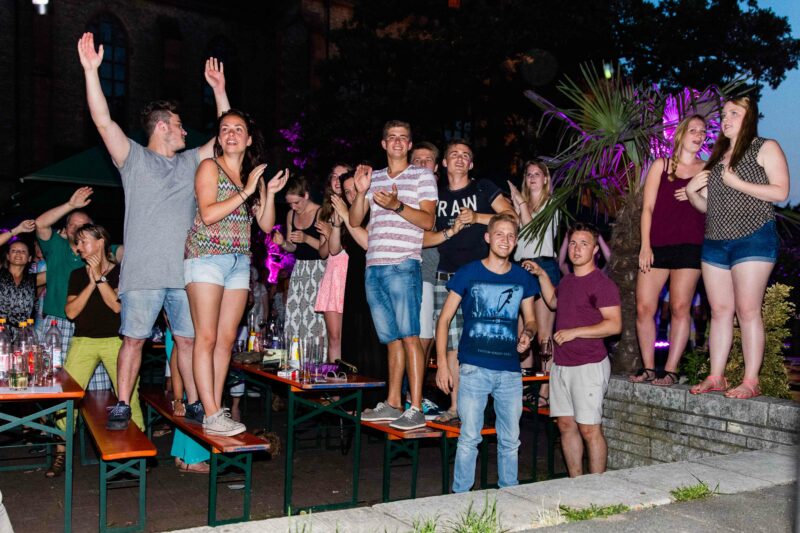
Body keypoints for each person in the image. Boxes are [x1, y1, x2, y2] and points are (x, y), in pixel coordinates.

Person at [77, 32, 232, 430]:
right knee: (134, 340)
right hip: (143, 272)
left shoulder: (190, 163)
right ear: (162, 127)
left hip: (185, 272)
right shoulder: (133, 158)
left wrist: (219, 91)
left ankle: (195, 403)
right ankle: (122, 404)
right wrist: (92, 71)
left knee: (188, 340)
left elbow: (226, 140)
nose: (185, 132)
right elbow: (102, 121)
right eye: (179, 126)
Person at [184, 109, 287, 436]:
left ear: (249, 139)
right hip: (205, 257)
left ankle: (216, 409)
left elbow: (266, 225)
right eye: (225, 129)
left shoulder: (252, 176)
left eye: (238, 129)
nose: (231, 134)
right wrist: (245, 190)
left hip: (239, 261)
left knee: (226, 340)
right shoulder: (209, 167)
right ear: (219, 137)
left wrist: (268, 193)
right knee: (207, 336)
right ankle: (211, 412)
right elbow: (208, 214)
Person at [685, 96, 790, 399]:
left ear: (749, 117)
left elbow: (781, 192)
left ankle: (751, 380)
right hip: (715, 241)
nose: (726, 119)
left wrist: (736, 182)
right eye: (724, 114)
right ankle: (716, 376)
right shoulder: (717, 157)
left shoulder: (764, 147)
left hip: (753, 237)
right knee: (719, 311)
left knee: (747, 310)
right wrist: (692, 194)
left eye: (734, 113)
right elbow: (710, 207)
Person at [435, 213, 538, 492]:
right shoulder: (468, 272)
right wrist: (443, 364)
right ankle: (461, 497)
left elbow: (531, 320)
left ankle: (509, 496)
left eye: (511, 236)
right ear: (488, 237)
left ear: (516, 242)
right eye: (499, 234)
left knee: (510, 440)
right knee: (469, 438)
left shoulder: (522, 278)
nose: (505, 240)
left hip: (510, 370)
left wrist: (528, 335)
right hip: (473, 368)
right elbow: (444, 319)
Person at [349, 120, 437, 430]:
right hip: (374, 265)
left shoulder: (422, 176)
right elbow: (355, 220)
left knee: (410, 336)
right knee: (391, 340)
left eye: (403, 137)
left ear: (410, 145)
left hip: (403, 264)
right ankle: (393, 402)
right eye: (392, 137)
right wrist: (360, 192)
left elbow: (428, 221)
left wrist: (397, 205)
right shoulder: (373, 178)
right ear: (384, 144)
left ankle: (416, 407)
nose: (397, 142)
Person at [428, 139, 517, 423]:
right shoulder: (435, 194)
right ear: (444, 162)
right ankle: (456, 408)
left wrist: (477, 217)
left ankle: (481, 407)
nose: (459, 158)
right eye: (453, 154)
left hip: (482, 277)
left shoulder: (482, 188)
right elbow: (423, 230)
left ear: (471, 164)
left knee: (480, 341)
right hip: (446, 274)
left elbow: (512, 217)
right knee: (452, 343)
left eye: (465, 155)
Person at [524, 222, 622, 477]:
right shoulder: (567, 281)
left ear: (595, 250)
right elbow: (553, 301)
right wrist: (541, 274)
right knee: (566, 425)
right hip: (561, 365)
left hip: (589, 364)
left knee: (589, 429)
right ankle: (575, 482)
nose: (577, 249)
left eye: (584, 244)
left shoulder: (602, 284)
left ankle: (596, 486)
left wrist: (575, 332)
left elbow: (614, 325)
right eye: (574, 244)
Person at [48, 223, 144, 477]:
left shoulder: (122, 272)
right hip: (83, 341)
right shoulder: (77, 275)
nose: (78, 247)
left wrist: (100, 277)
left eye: (83, 241)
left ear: (100, 241)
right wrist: (91, 282)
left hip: (116, 341)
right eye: (77, 242)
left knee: (127, 395)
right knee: (65, 396)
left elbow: (116, 306)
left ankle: (134, 452)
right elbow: (71, 312)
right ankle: (61, 450)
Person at [630, 115, 707, 386]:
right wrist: (645, 245)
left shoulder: (706, 169)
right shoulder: (660, 166)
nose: (698, 135)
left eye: (703, 131)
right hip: (657, 246)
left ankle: (671, 370)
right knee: (644, 307)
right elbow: (648, 208)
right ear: (681, 134)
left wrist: (694, 193)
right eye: (693, 130)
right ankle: (649, 367)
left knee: (680, 307)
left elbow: (711, 207)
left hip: (690, 246)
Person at [34, 191, 116, 391]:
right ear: (65, 227)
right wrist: (70, 204)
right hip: (58, 323)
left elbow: (127, 254)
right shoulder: (56, 245)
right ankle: (58, 413)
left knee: (98, 387)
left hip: (94, 327)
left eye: (83, 225)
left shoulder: (100, 251)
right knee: (54, 381)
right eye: (72, 224)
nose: (77, 228)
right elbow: (40, 223)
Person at [331, 171, 387, 406]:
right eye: (347, 192)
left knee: (372, 341)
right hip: (353, 278)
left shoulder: (375, 210)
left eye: (354, 189)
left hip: (375, 277)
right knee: (352, 339)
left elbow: (367, 244)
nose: (352, 195)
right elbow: (334, 250)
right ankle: (350, 402)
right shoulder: (349, 215)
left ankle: (374, 402)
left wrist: (346, 215)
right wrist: (337, 223)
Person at [509, 160, 560, 403]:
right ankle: (525, 386)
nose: (532, 177)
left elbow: (532, 233)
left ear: (546, 178)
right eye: (528, 174)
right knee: (523, 332)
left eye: (537, 174)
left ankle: (545, 390)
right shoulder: (519, 205)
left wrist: (520, 203)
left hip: (543, 266)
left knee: (544, 335)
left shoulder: (552, 203)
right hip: (520, 267)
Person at [273, 178, 326, 346]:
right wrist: (282, 243)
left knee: (316, 318)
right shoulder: (291, 215)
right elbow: (292, 247)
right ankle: (296, 355)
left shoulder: (321, 213)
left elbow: (326, 249)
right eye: (290, 203)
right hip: (300, 269)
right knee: (296, 313)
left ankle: (317, 356)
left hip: (319, 269)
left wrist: (306, 238)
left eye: (296, 202)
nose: (293, 207)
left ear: (306, 195)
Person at [315, 163, 352, 362]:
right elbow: (323, 252)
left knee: (350, 336)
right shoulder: (325, 211)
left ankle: (352, 378)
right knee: (334, 337)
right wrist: (329, 235)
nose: (338, 180)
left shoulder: (357, 205)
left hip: (351, 272)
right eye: (334, 176)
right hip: (333, 273)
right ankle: (334, 380)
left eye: (342, 176)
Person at [410, 143, 442, 363]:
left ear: (436, 166)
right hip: (420, 273)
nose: (422, 164)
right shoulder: (404, 196)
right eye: (417, 160)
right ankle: (411, 385)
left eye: (427, 160)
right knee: (420, 336)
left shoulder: (446, 195)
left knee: (434, 339)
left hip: (448, 274)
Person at [0, 221, 37, 339]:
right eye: (14, 250)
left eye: (23, 251)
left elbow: (59, 269)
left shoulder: (34, 279)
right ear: (8, 256)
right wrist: (16, 230)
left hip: (23, 337)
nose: (18, 253)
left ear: (29, 258)